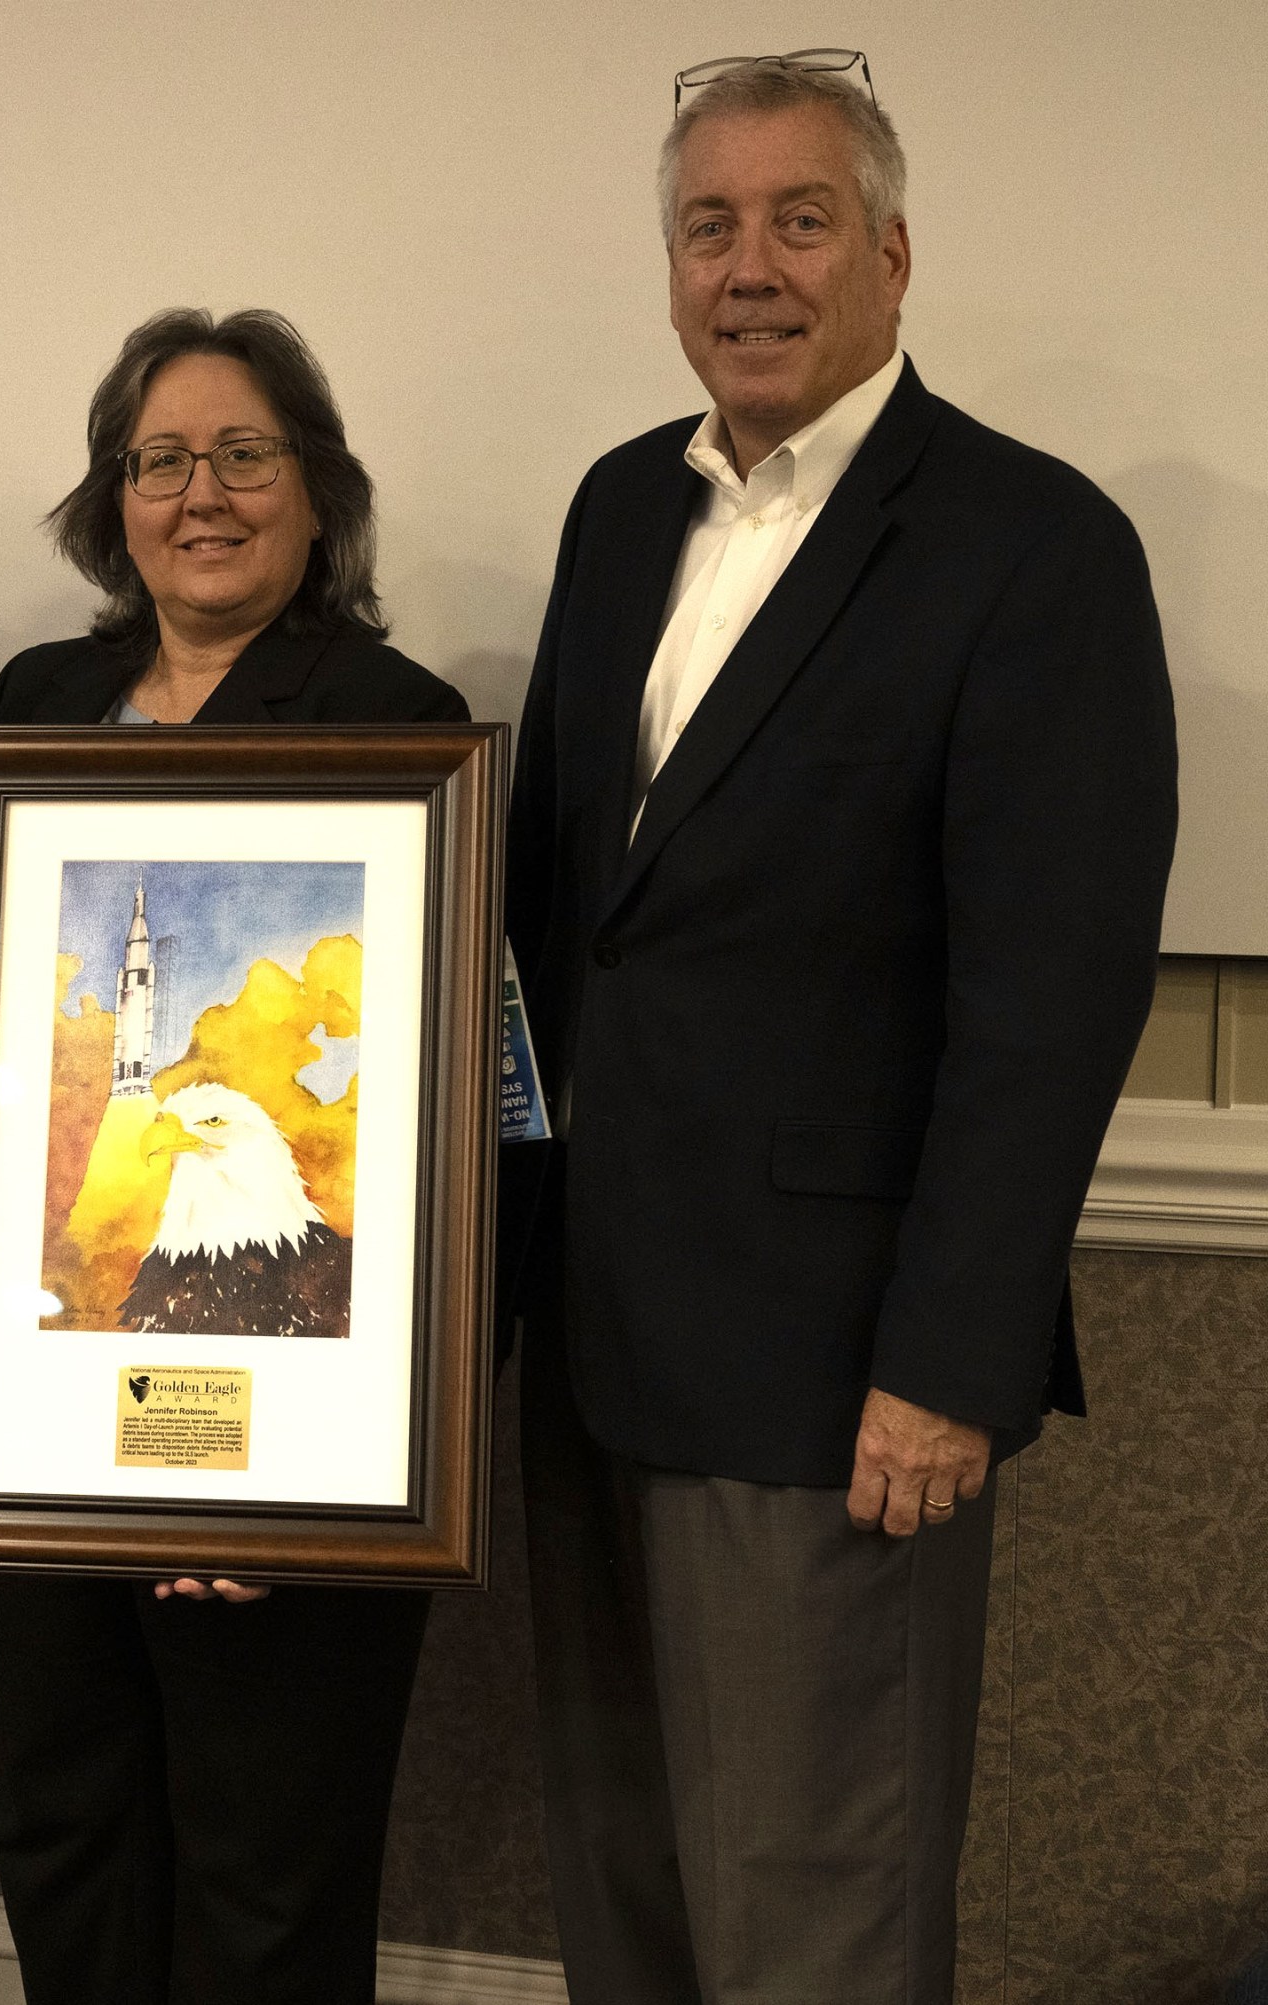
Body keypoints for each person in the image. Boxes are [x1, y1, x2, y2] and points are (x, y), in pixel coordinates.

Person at [504, 54, 1176, 2005]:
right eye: (707, 226)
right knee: (622, 1899)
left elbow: (1046, 1001)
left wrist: (948, 1362)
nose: (750, 267)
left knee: (816, 1927)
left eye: (798, 219)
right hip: (591, 1349)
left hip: (831, 1388)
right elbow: (560, 920)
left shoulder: (1029, 550)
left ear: (889, 253)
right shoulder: (620, 511)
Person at [0, 307, 467, 2005]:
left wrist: (315, 1475)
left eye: (244, 454)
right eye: (160, 460)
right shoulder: (38, 704)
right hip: (51, 1421)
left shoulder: (403, 726)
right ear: (112, 499)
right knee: (65, 1826)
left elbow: (482, 1129)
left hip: (297, 1461)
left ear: (317, 488)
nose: (201, 493)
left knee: (266, 1872)